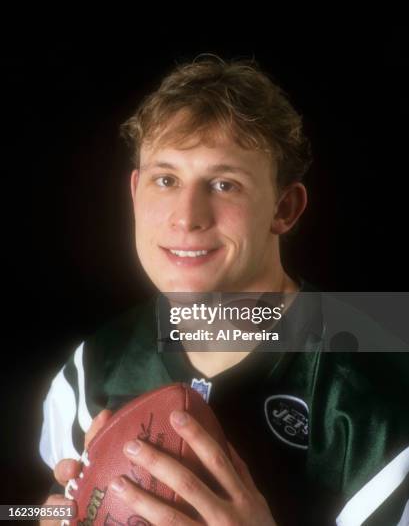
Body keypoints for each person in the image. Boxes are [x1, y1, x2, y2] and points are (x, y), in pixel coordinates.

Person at [39, 57, 409, 526]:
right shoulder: (93, 367)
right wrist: (37, 517)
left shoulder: (380, 395)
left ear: (285, 208)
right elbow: (20, 505)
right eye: (166, 179)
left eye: (223, 184)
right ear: (135, 193)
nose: (188, 216)